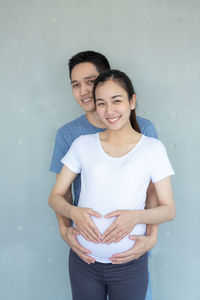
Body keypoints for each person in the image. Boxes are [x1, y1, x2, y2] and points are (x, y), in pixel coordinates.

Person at [48, 69, 175, 300]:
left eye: (116, 101)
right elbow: (55, 197)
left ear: (132, 101)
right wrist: (73, 212)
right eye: (101, 103)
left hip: (129, 264)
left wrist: (136, 217)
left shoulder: (152, 149)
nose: (109, 110)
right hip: (84, 262)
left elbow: (168, 210)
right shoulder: (82, 144)